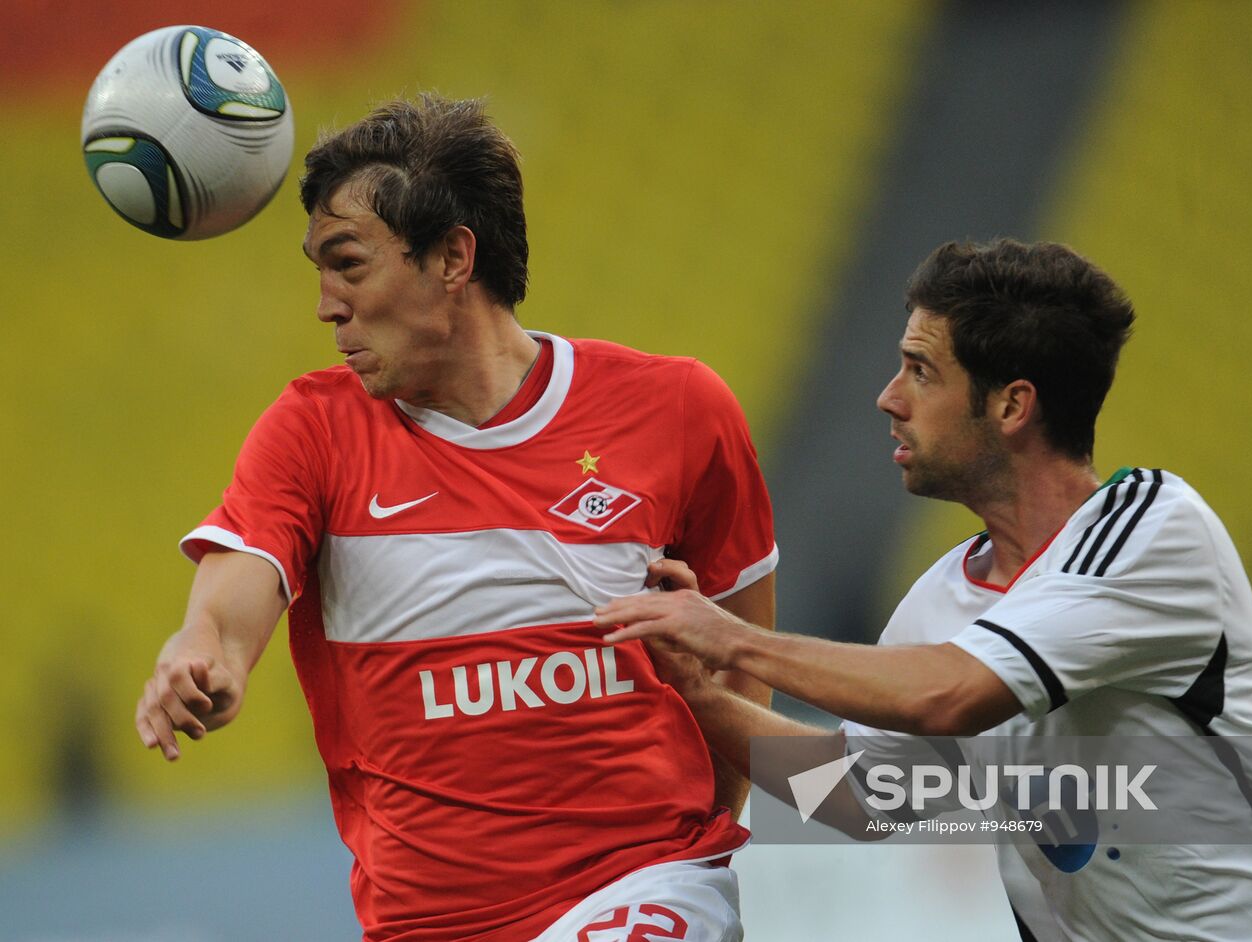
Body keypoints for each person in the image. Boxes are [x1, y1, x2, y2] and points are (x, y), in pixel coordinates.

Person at [595, 239, 1252, 941]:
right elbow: (864, 799)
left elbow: (954, 696)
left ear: (1012, 405)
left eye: (920, 370)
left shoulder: (1153, 530)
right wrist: (701, 696)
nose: (889, 398)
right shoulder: (942, 600)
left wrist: (731, 638)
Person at [133, 94, 778, 942]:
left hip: (646, 885)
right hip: (424, 923)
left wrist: (691, 849)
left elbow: (744, 663)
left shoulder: (679, 411)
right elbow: (225, 610)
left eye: (349, 264)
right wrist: (199, 660)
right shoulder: (312, 431)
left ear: (452, 257)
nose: (326, 304)